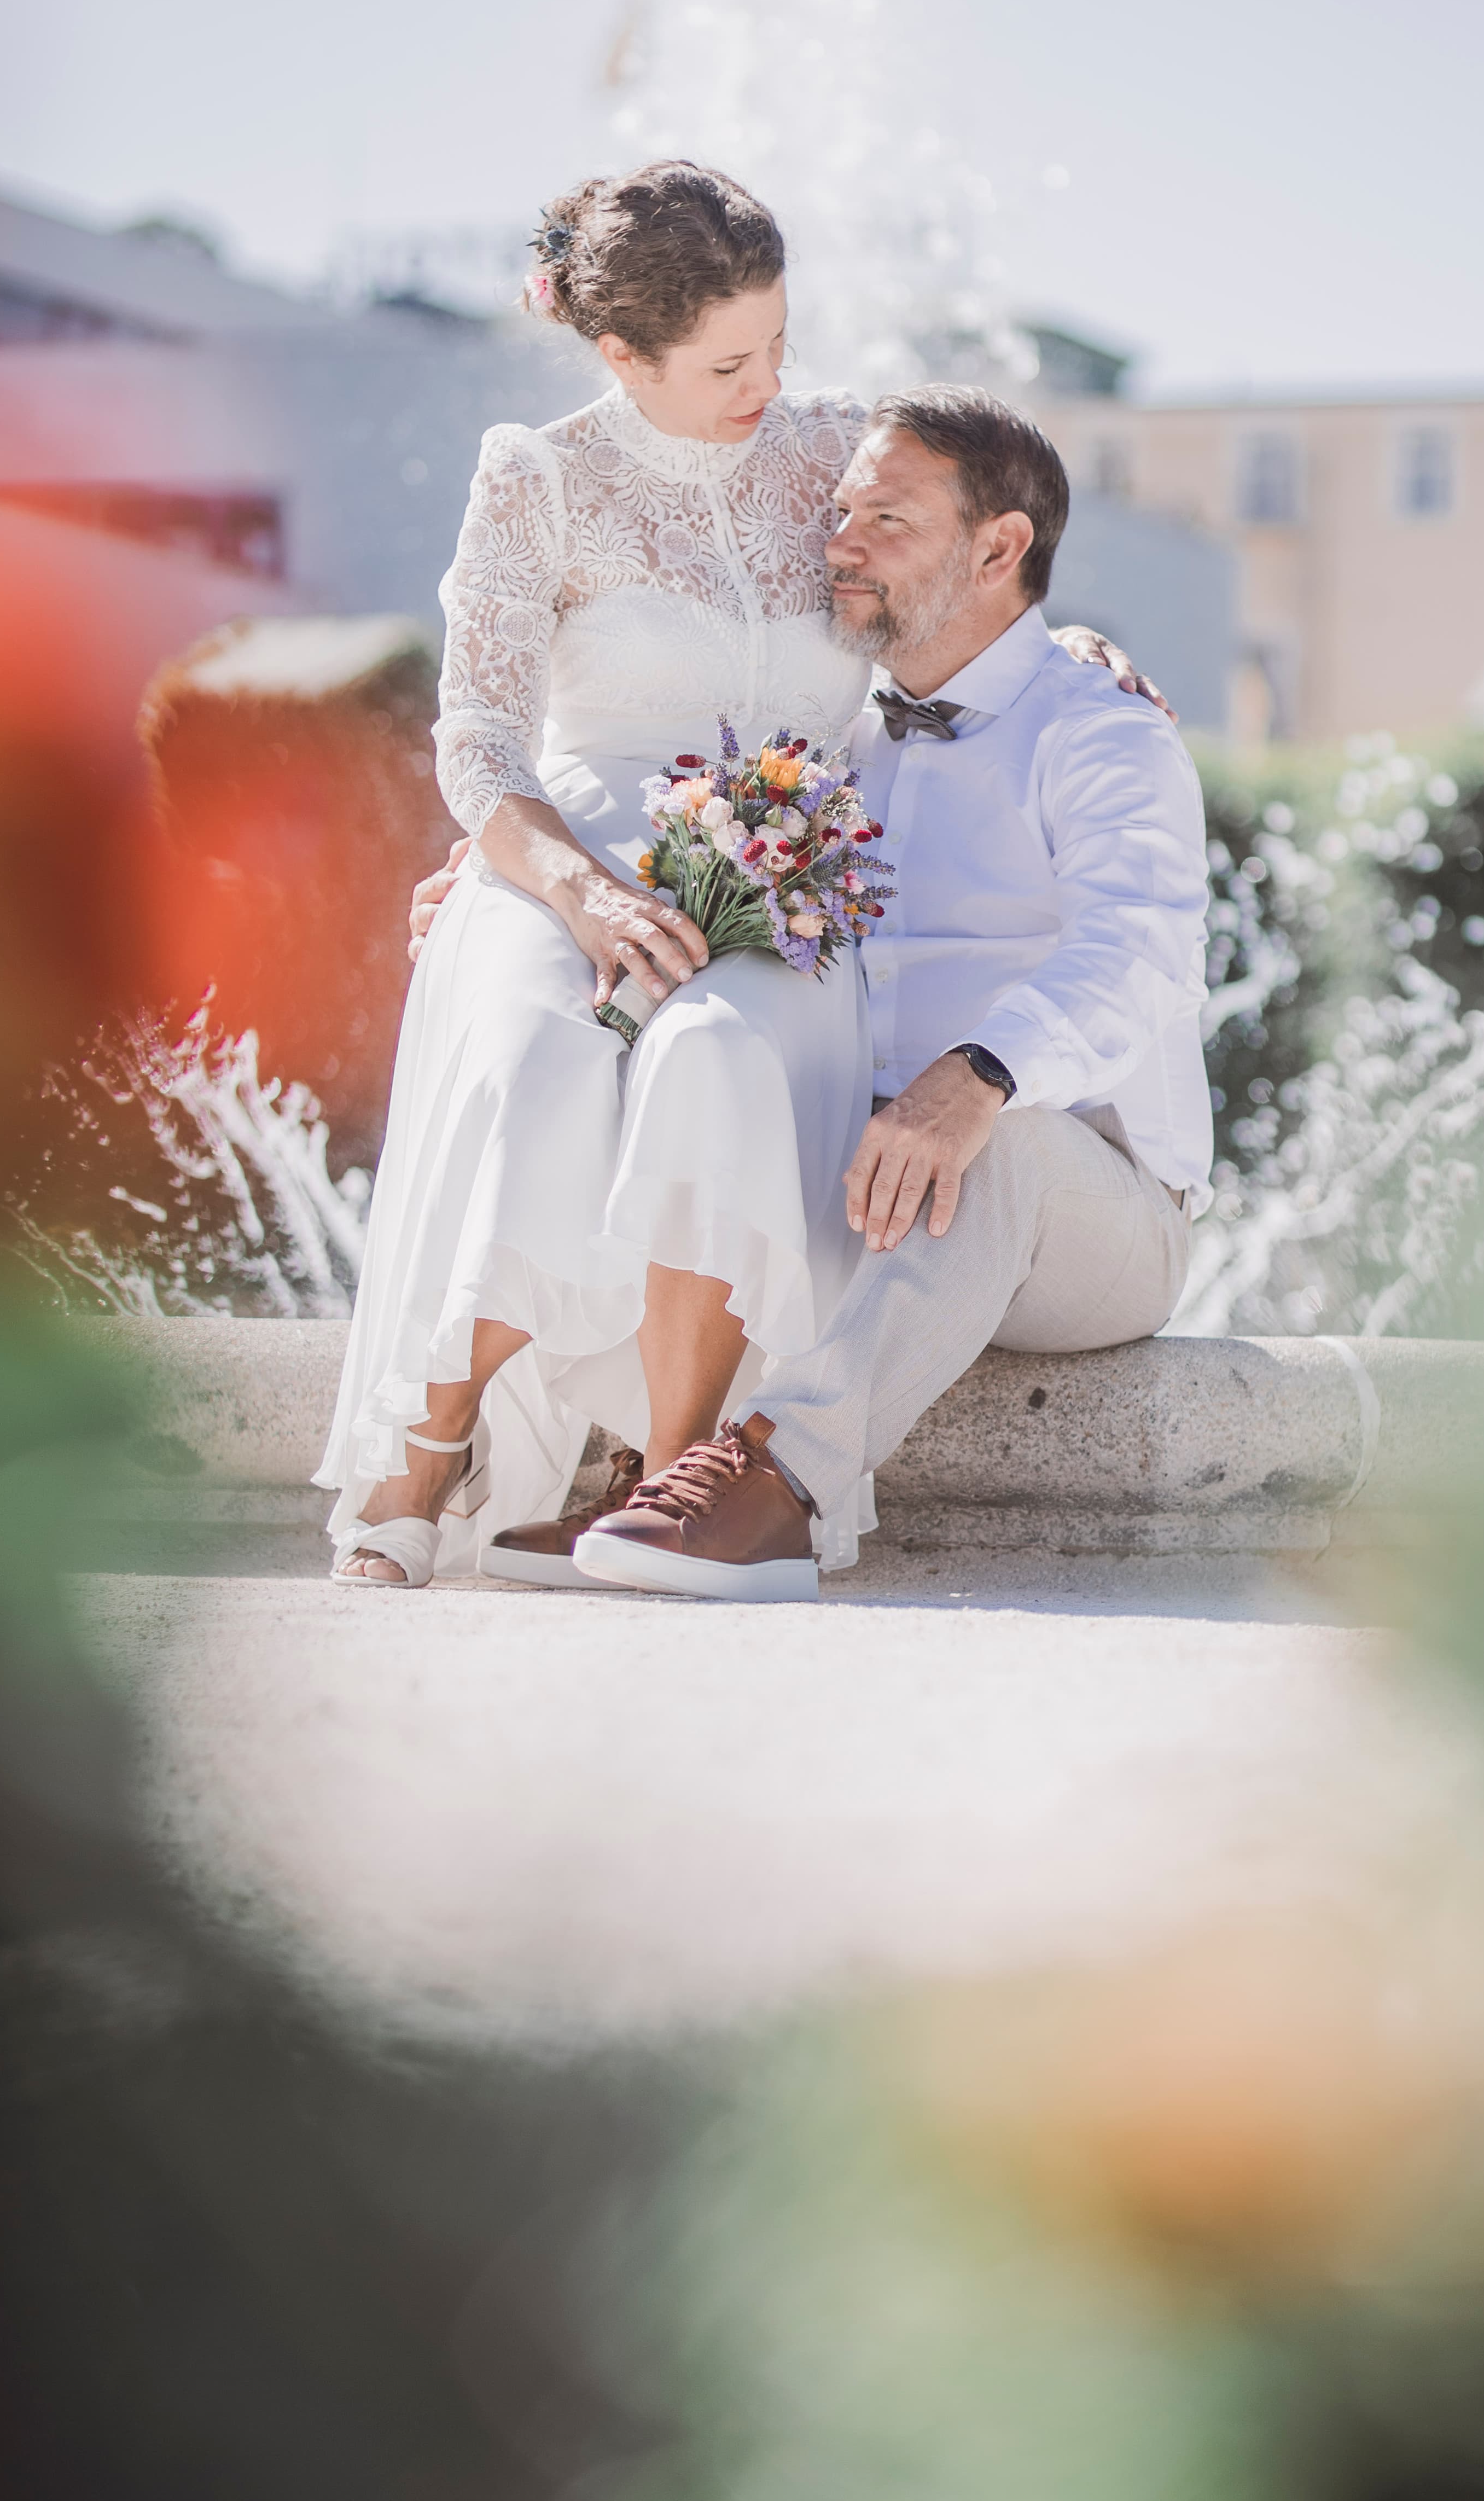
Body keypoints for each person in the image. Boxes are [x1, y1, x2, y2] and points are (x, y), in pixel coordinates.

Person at [319, 165, 1146, 1587]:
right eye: (725, 362)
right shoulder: (540, 474)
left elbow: (967, 600)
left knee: (730, 1054)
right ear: (618, 354)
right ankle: (428, 1442)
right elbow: (480, 738)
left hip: (783, 847)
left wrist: (1066, 666)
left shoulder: (843, 450)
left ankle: (664, 1482)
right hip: (571, 853)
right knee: (539, 1055)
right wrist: (569, 885)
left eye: (778, 339)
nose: (770, 380)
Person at [481, 384, 1215, 1602]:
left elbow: (1142, 952)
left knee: (1000, 1139)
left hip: (1093, 1202)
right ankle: (654, 1465)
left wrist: (976, 1077)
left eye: (887, 518)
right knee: (697, 1063)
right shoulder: (820, 732)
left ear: (1000, 547)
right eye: (839, 512)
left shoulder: (1103, 730)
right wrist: (499, 882)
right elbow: (669, 847)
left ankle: (776, 1491)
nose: (841, 543)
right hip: (871, 1172)